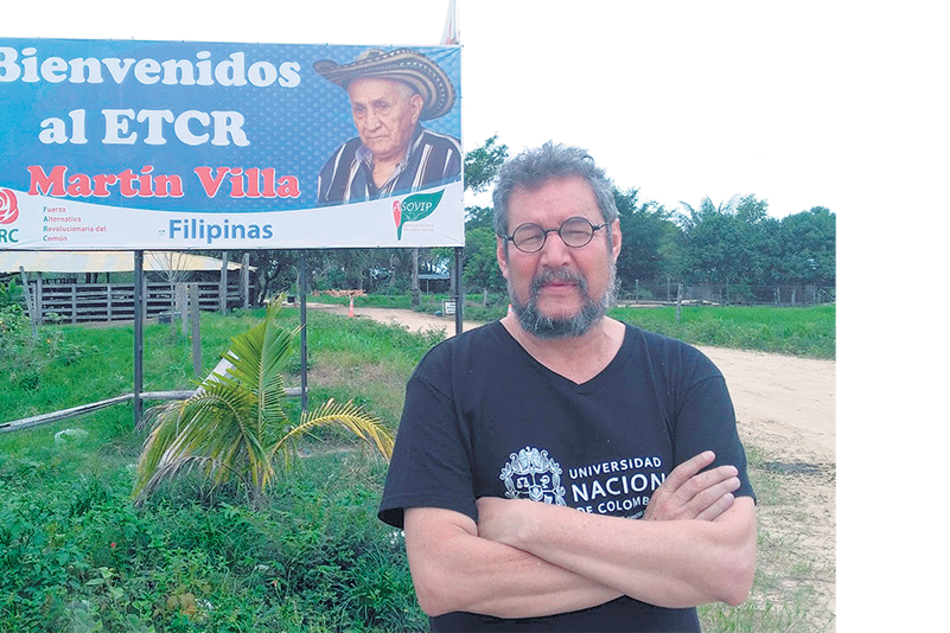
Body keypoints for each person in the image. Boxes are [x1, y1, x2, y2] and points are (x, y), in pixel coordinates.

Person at [377, 142, 757, 632]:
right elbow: (445, 580)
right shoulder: (448, 378)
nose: (556, 255)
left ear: (613, 241)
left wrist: (528, 524)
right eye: (530, 236)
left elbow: (726, 569)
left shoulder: (684, 376)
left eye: (578, 231)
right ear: (502, 254)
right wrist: (654, 545)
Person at [312, 48, 462, 205]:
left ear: (414, 107)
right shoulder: (343, 158)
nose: (371, 124)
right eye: (360, 109)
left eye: (382, 106)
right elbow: (323, 224)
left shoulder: (450, 156)